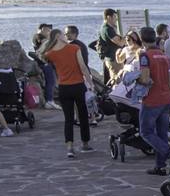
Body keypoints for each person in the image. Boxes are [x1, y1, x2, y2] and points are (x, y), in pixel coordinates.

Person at [39, 29, 97, 158]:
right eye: (63, 34)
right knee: (83, 116)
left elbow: (42, 57)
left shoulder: (50, 53)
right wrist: (90, 83)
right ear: (58, 36)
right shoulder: (74, 48)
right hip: (78, 86)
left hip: (64, 88)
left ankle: (70, 147)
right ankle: (85, 144)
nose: (66, 36)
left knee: (68, 119)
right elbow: (82, 66)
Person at [135, 27, 170, 176]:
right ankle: (160, 166)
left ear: (142, 39)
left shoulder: (145, 56)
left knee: (146, 132)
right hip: (165, 98)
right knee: (162, 133)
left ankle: (169, 153)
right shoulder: (164, 56)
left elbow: (145, 79)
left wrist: (135, 78)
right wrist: (169, 96)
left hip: (152, 99)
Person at [98, 9, 126, 81]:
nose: (116, 19)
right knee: (117, 81)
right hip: (113, 60)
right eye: (114, 16)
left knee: (119, 80)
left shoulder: (110, 28)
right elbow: (120, 43)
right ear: (108, 17)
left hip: (115, 58)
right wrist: (127, 35)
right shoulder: (107, 29)